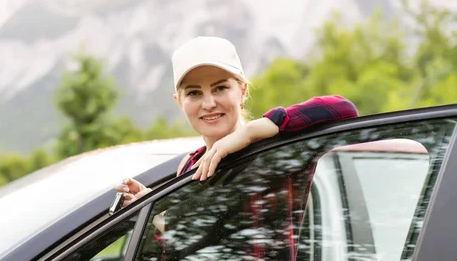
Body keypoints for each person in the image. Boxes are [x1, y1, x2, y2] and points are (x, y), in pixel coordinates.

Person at [114, 36, 358, 208]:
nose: (208, 103)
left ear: (242, 91)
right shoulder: (188, 166)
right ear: (180, 102)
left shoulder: (276, 149)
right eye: (194, 93)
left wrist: (251, 132)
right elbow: (183, 249)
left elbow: (343, 109)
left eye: (220, 88)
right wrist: (152, 208)